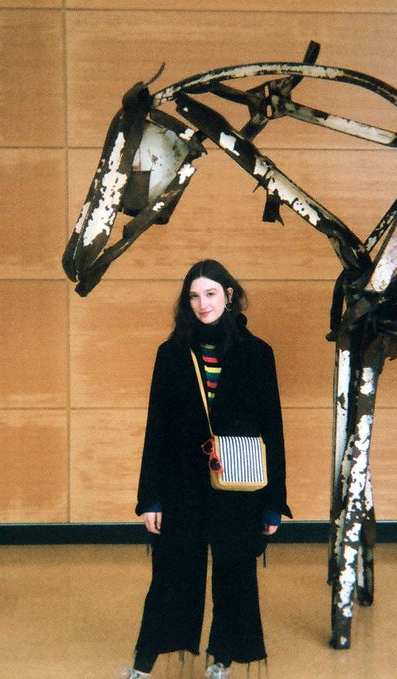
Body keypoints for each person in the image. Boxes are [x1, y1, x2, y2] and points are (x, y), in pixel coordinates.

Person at [122, 260, 291, 679]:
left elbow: (273, 428)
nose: (202, 304)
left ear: (229, 295)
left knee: (235, 572)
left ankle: (222, 657)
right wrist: (151, 497)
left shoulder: (257, 353)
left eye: (211, 293)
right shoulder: (172, 353)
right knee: (173, 572)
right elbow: (156, 428)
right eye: (194, 296)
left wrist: (274, 503)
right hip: (181, 483)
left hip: (239, 481)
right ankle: (144, 663)